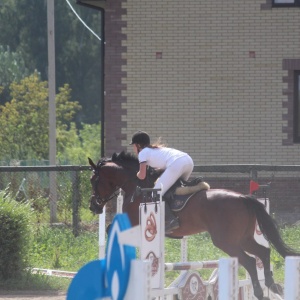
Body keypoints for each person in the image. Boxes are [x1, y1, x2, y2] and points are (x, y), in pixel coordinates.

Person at [130, 131, 194, 234]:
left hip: (177, 163)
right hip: (188, 161)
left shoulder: (142, 153)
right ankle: (182, 218)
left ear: (138, 145)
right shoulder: (156, 150)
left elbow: (142, 176)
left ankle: (171, 221)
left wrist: (135, 174)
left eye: (133, 145)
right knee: (175, 190)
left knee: (155, 194)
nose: (133, 148)